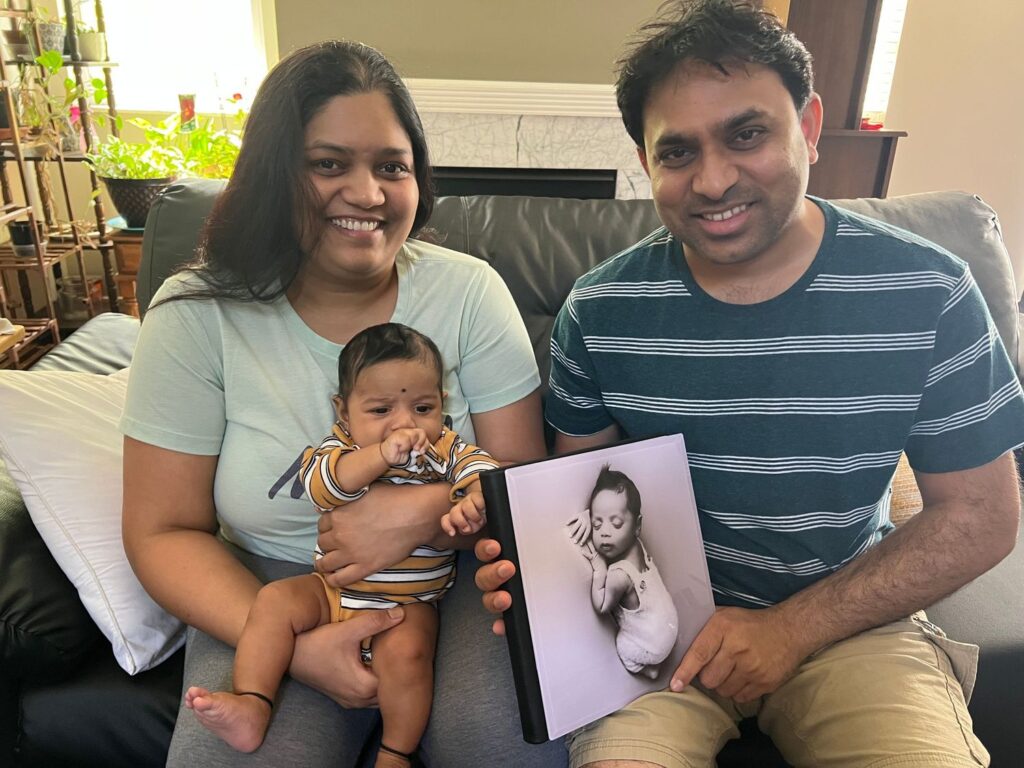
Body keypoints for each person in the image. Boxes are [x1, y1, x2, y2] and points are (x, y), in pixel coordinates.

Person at [475, 1, 1024, 766]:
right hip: (666, 636)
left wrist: (790, 629)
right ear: (645, 161)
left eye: (747, 134)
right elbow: (577, 494)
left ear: (808, 126)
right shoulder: (599, 310)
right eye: (677, 152)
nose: (714, 179)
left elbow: (982, 516)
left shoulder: (927, 289)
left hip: (852, 626)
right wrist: (543, 590)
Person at [121, 41, 566, 767]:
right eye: (329, 164)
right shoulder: (196, 314)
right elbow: (161, 531)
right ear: (274, 175)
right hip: (271, 584)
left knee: (508, 746)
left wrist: (420, 513)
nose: (368, 194)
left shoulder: (470, 290)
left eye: (392, 166)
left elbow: (520, 481)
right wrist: (290, 647)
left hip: (448, 579)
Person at [183, 323, 499, 765]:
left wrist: (477, 498)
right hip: (331, 593)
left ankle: (395, 752)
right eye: (381, 409)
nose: (404, 424)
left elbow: (485, 471)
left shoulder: (443, 446)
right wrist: (381, 456)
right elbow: (324, 488)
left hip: (407, 605)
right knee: (274, 601)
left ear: (441, 405)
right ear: (344, 412)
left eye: (422, 406)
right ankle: (253, 702)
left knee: (409, 654)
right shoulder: (342, 448)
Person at [570, 465, 678, 680]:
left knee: (622, 645)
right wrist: (588, 515)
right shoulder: (637, 544)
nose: (605, 533)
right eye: (597, 524)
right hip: (670, 627)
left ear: (637, 525)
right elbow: (607, 513)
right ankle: (654, 661)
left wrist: (599, 567)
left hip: (651, 646)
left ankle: (647, 669)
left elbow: (602, 605)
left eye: (616, 524)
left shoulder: (619, 575)